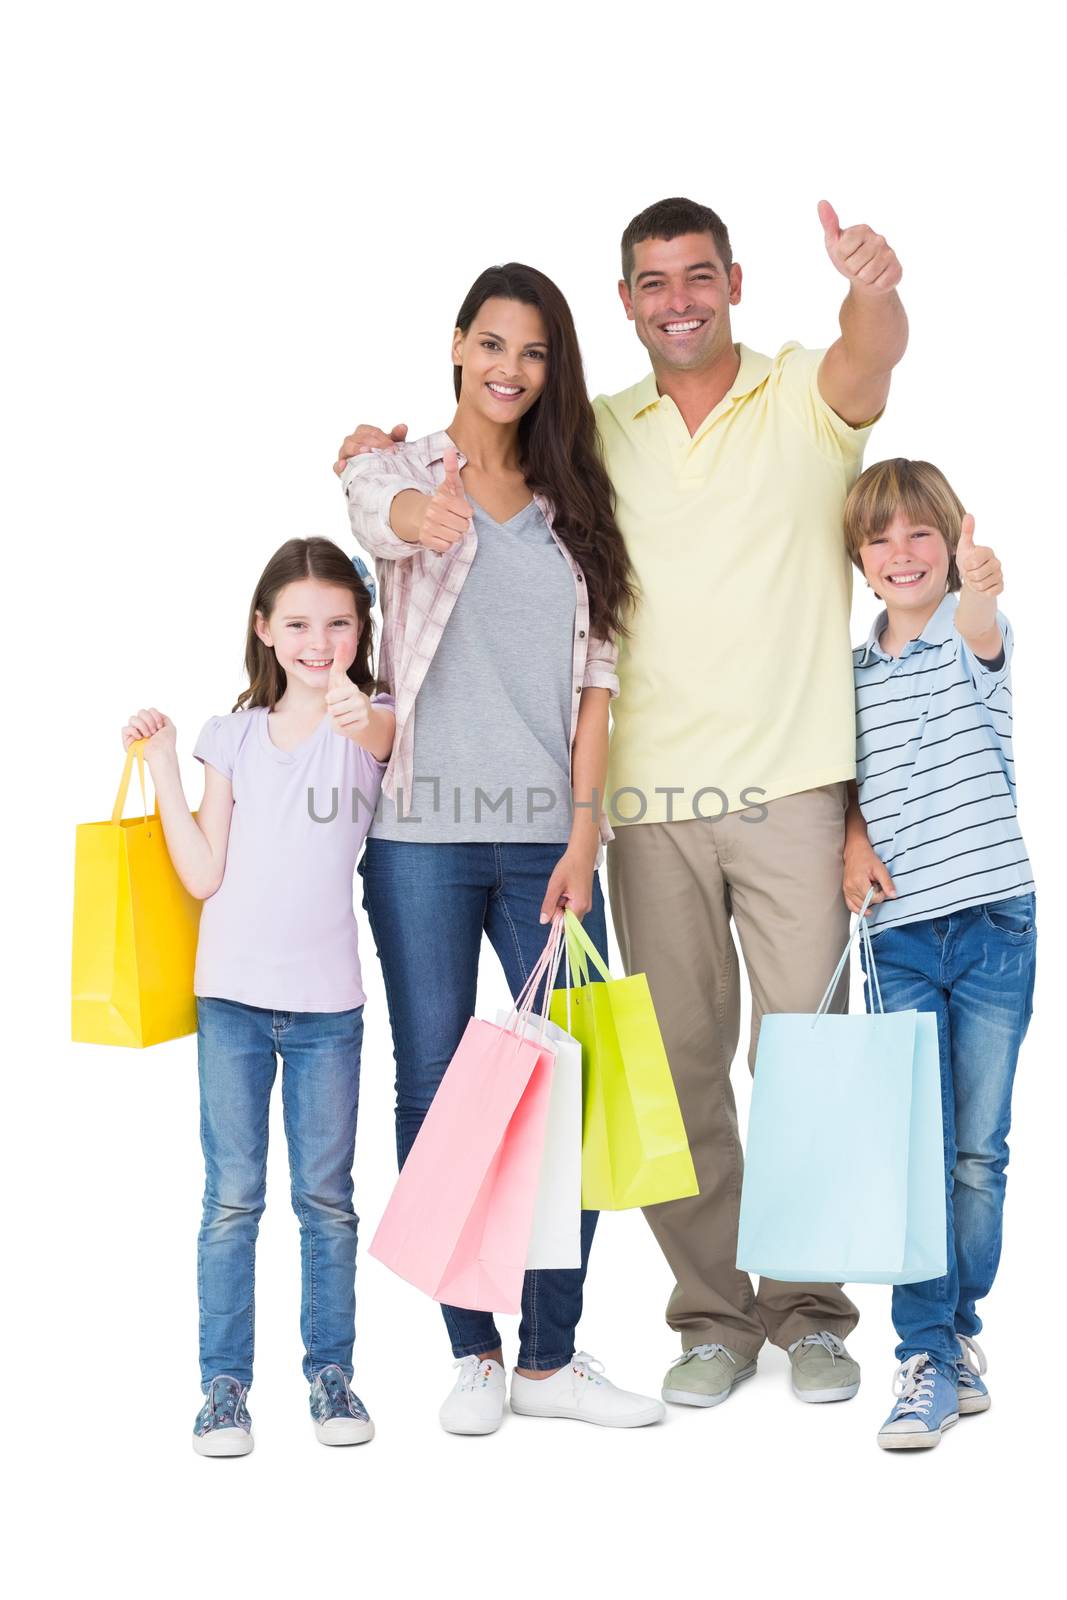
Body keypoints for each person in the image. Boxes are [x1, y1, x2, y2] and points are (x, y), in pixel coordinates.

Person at [335, 196, 909, 1413]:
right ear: (626, 303)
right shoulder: (589, 440)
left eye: (696, 276)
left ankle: (805, 1312)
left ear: (736, 283)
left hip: (781, 786)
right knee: (673, 1068)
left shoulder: (788, 399)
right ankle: (700, 1317)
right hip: (632, 807)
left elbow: (871, 355)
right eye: (651, 282)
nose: (677, 299)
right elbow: (397, 495)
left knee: (793, 1059)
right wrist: (372, 468)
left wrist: (869, 285)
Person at [339, 261, 663, 1435]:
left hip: (547, 844)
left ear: (550, 366)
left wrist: (583, 832)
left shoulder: (578, 500)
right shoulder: (400, 468)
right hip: (417, 836)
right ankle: (470, 1347)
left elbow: (595, 686)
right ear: (457, 346)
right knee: (432, 1087)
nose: (508, 369)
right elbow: (367, 507)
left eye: (530, 352)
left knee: (567, 1088)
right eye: (490, 344)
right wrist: (403, 508)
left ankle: (550, 1356)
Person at [121, 537, 395, 1456]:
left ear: (361, 630)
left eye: (339, 623)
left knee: (326, 1199)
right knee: (232, 1198)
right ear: (264, 629)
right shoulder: (231, 738)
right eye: (299, 624)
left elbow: (386, 739)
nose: (319, 642)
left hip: (328, 1008)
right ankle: (222, 1389)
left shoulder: (373, 721)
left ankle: (330, 1375)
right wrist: (163, 765)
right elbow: (202, 873)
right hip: (230, 1001)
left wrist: (357, 709)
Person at [841, 459, 1036, 1450]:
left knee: (975, 1155)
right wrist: (848, 838)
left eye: (921, 534)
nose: (902, 553)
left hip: (995, 923)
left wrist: (978, 582)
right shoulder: (850, 672)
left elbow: (980, 627)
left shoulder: (971, 637)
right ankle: (920, 1350)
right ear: (858, 561)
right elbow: (837, 785)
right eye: (881, 538)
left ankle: (957, 1332)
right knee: (916, 1152)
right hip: (898, 937)